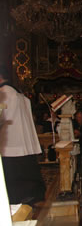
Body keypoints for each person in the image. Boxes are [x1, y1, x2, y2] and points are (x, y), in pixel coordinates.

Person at [0, 65, 45, 204]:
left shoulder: (4, 92)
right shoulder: (17, 92)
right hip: (22, 143)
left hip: (10, 144)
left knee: (13, 185)